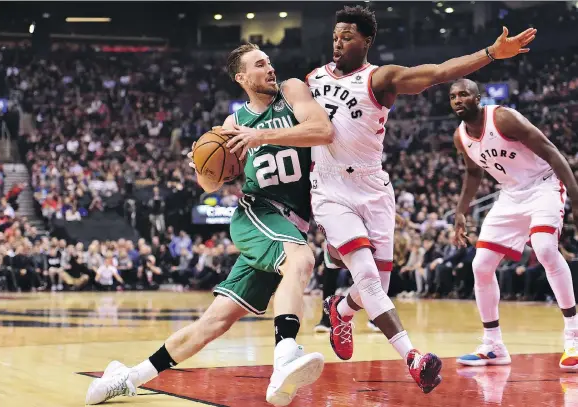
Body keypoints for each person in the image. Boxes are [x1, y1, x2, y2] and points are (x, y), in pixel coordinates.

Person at [85, 43, 334, 406]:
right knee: (302, 259)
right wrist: (203, 163)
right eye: (259, 64)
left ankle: (128, 376)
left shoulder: (292, 91)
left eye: (268, 61)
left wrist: (260, 137)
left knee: (215, 322)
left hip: (288, 220)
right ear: (241, 78)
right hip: (258, 213)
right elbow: (210, 185)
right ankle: (284, 356)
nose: (269, 68)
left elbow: (322, 130)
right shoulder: (234, 124)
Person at [304, 5, 536, 393]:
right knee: (367, 277)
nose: (338, 42)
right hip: (329, 188)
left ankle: (340, 310)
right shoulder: (312, 79)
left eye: (347, 36)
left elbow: (439, 72)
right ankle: (414, 357)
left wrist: (491, 53)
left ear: (367, 41)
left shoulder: (381, 79)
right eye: (335, 36)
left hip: (374, 187)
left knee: (376, 284)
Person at [449, 79, 578, 370]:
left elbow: (552, 152)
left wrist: (576, 198)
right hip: (510, 195)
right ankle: (493, 345)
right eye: (453, 96)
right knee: (480, 265)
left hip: (543, 185)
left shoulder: (503, 118)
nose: (458, 100)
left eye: (464, 94)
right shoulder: (461, 137)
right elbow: (472, 173)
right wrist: (461, 211)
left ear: (478, 98)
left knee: (545, 249)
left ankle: (573, 335)